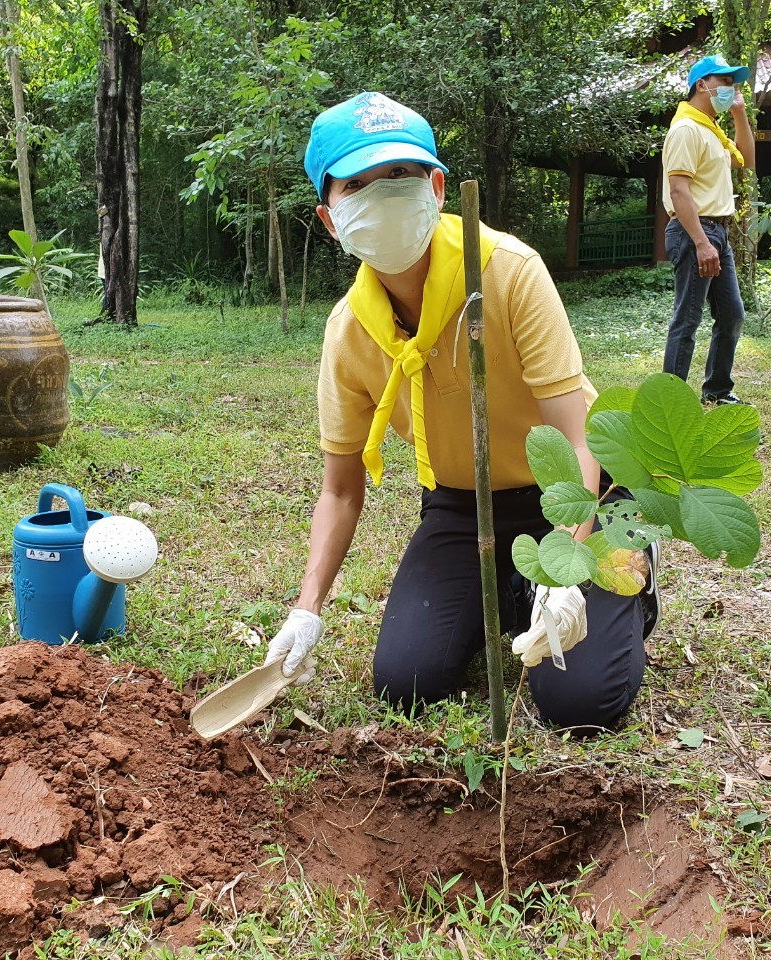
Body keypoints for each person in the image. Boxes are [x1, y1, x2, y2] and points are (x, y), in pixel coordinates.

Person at [262, 92, 658, 731]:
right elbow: (340, 491)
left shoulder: (507, 272)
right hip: (460, 503)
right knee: (406, 682)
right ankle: (506, 584)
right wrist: (308, 608)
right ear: (330, 219)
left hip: (576, 492)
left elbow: (580, 442)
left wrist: (562, 570)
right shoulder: (349, 332)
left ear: (437, 186)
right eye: (357, 184)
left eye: (400, 176)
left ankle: (620, 576)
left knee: (580, 706)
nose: (384, 194)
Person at [660, 55, 756, 405]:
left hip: (717, 233)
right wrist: (701, 242)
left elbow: (746, 157)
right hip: (694, 232)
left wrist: (739, 115)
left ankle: (717, 390)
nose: (732, 89)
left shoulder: (710, 131)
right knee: (687, 319)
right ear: (702, 85)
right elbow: (679, 190)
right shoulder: (686, 129)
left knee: (731, 314)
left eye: (734, 83)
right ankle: (668, 403)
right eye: (725, 81)